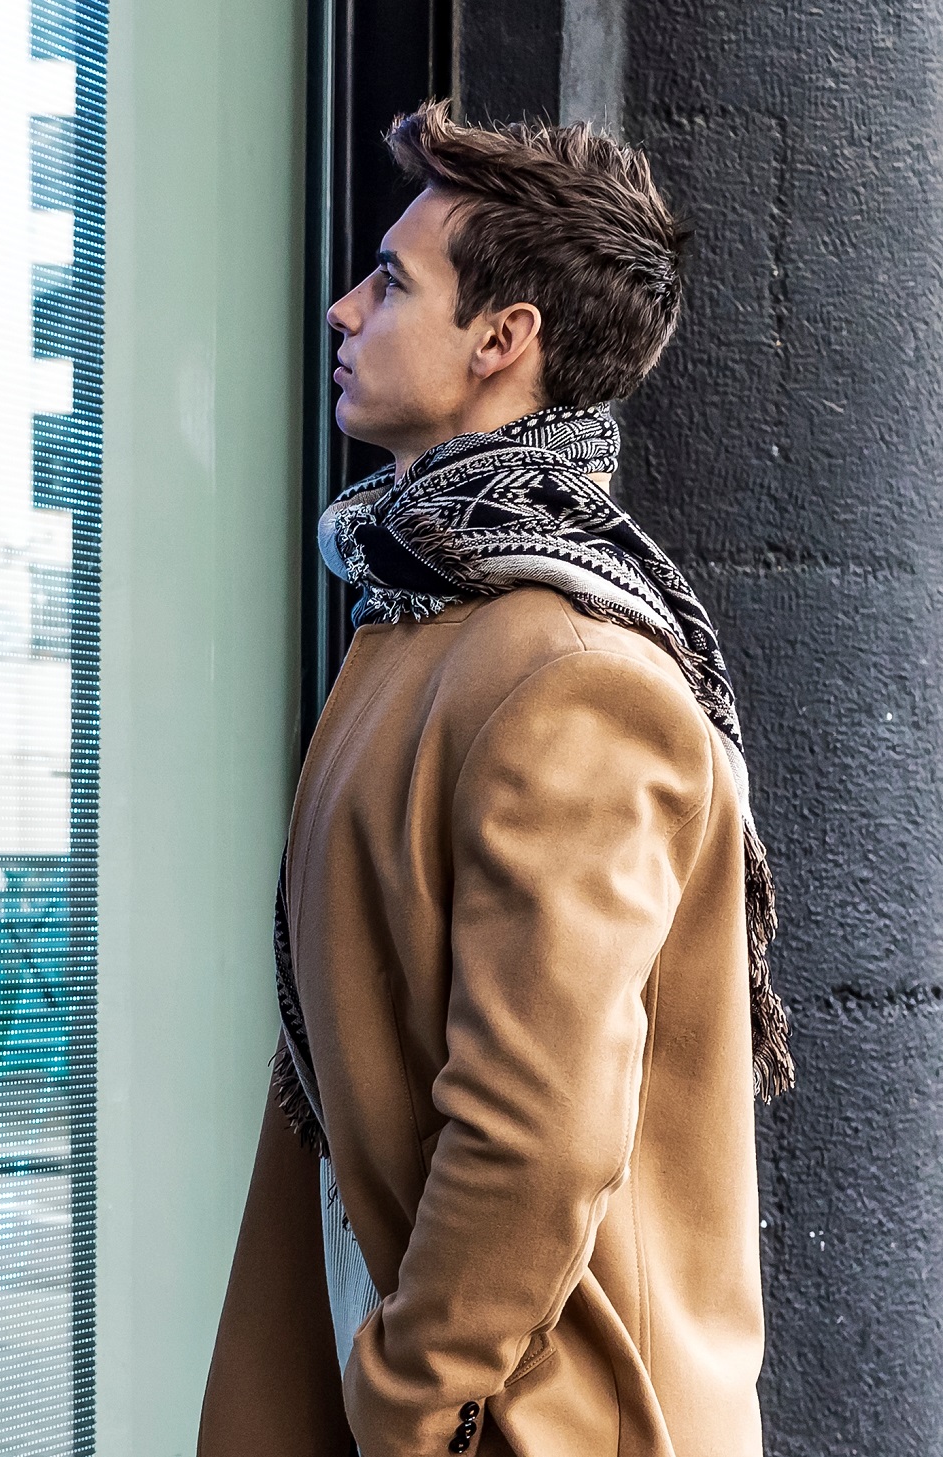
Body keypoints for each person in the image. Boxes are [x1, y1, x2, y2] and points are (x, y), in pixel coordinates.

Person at [198, 102, 790, 1457]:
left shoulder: (569, 674)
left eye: (392, 281)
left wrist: (413, 1403)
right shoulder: (421, 619)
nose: (346, 310)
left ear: (499, 341)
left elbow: (536, 1129)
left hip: (538, 1420)